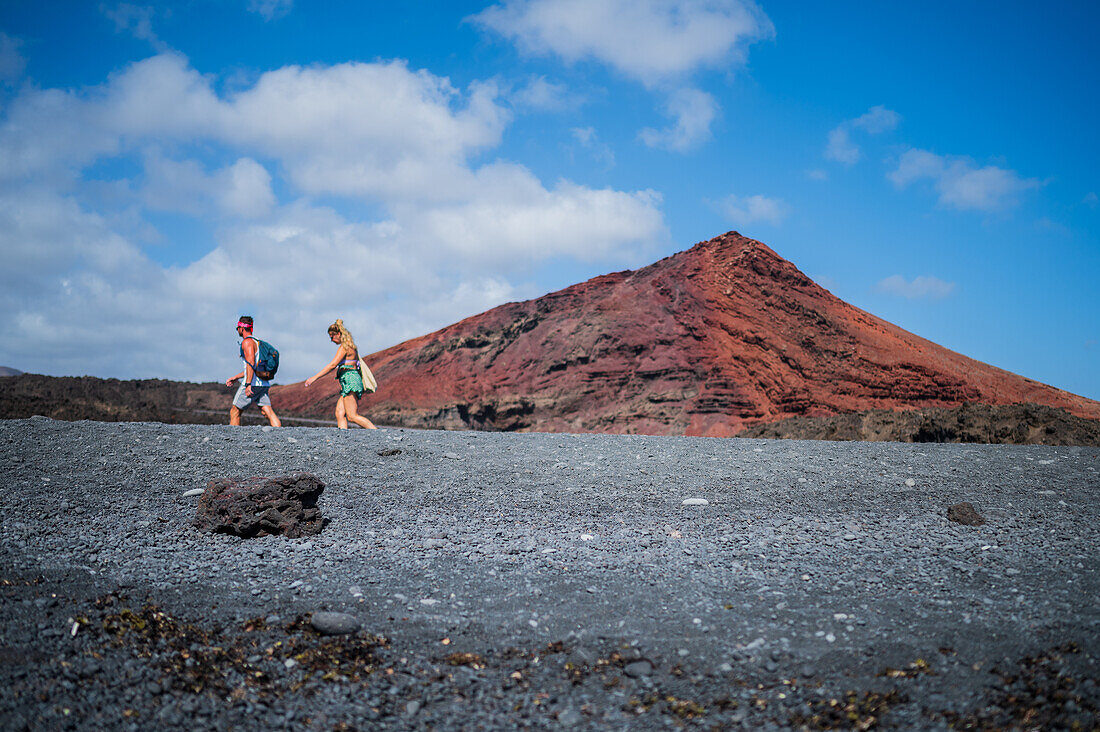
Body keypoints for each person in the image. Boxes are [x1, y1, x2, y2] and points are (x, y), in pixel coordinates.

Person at [304, 319, 377, 429]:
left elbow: (333, 365)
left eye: (332, 337)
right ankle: (342, 438)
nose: (331, 340)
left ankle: (376, 433)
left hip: (350, 381)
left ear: (338, 334)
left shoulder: (345, 347)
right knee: (339, 412)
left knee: (352, 416)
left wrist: (314, 378)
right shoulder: (351, 346)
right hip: (348, 382)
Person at [225, 315, 281, 427]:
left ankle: (232, 440)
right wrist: (236, 377)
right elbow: (253, 367)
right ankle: (279, 434)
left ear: (241, 328)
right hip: (263, 383)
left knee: (235, 410)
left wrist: (248, 384)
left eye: (237, 328)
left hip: (253, 383)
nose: (237, 330)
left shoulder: (247, 343)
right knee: (268, 411)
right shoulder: (258, 342)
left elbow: (250, 364)